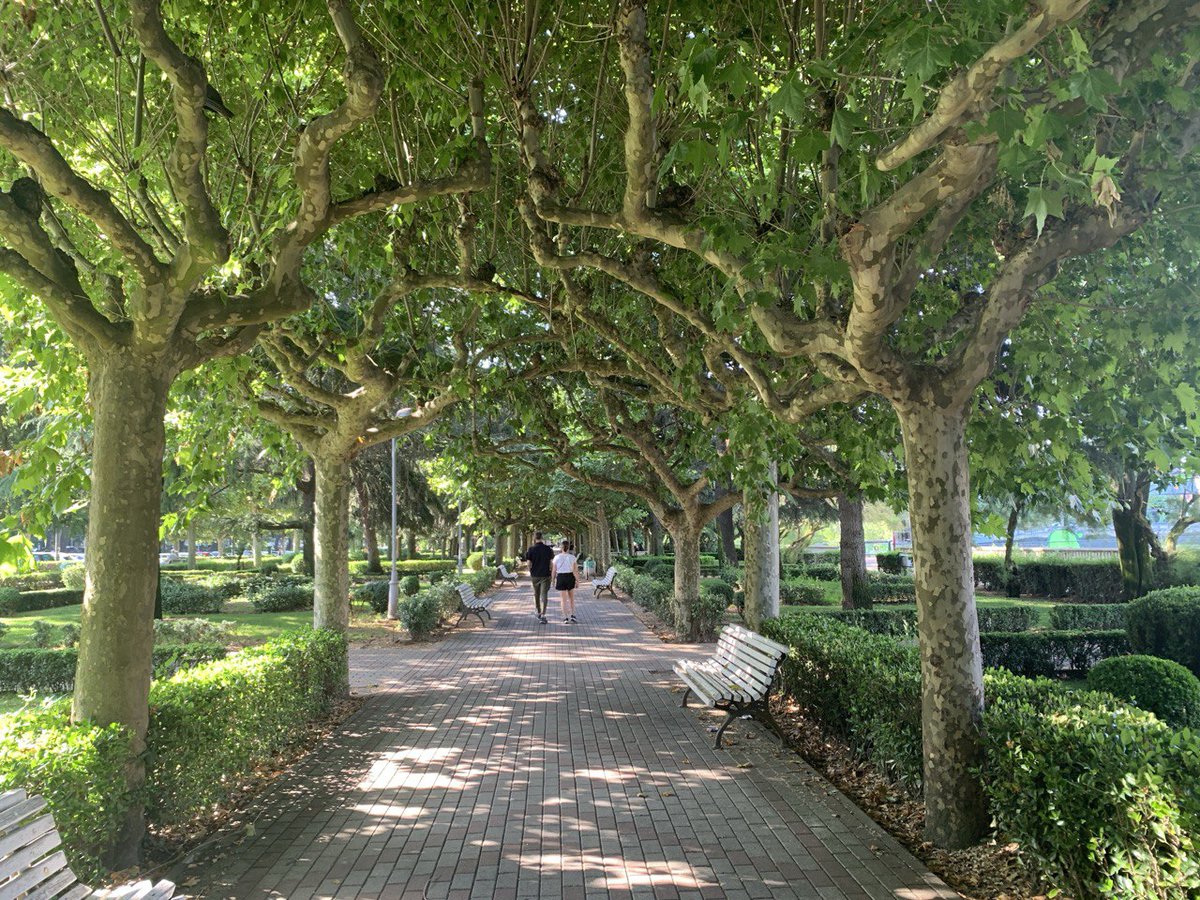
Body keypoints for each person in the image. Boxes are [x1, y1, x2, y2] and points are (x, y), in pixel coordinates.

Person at [523, 532, 555, 624]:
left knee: (536, 594)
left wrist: (531, 571)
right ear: (542, 538)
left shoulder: (531, 549)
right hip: (545, 575)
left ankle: (537, 610)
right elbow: (551, 563)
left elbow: (529, 563)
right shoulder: (548, 549)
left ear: (534, 538)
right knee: (544, 594)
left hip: (535, 575)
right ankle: (543, 614)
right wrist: (551, 572)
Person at [552, 539, 581, 624]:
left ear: (561, 548)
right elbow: (575, 571)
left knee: (563, 599)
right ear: (568, 548)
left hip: (560, 577)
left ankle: (565, 617)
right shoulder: (572, 558)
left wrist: (553, 580)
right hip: (570, 577)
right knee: (571, 598)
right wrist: (577, 581)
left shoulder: (556, 557)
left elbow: (554, 570)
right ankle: (573, 615)